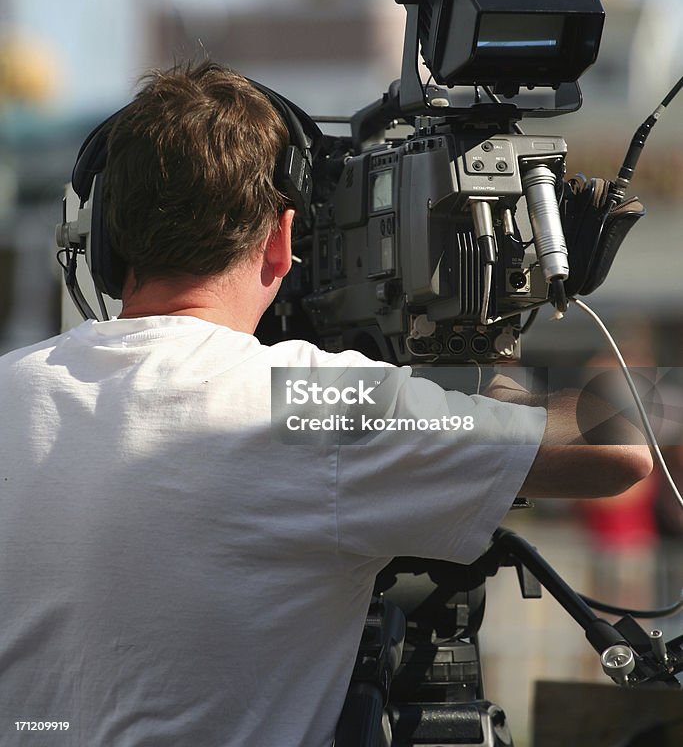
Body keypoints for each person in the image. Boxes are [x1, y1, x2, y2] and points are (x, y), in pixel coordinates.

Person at [0, 62, 651, 747]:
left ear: (104, 239)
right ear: (280, 242)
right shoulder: (307, 402)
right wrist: (487, 372)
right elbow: (621, 443)